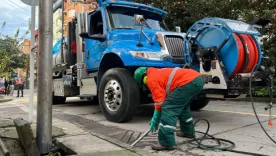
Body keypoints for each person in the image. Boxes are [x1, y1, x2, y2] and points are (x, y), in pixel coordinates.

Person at [134, 67, 204, 151]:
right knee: (183, 107)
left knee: (168, 108)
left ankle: (166, 143)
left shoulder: (151, 79)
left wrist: (155, 119)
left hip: (188, 82)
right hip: (197, 79)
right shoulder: (157, 72)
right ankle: (188, 131)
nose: (146, 84)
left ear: (145, 77)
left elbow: (160, 103)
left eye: (144, 82)